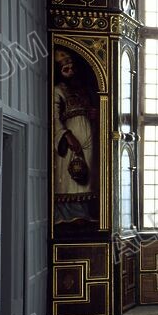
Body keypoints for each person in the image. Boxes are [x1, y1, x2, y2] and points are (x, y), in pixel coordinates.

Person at [53, 48, 98, 225]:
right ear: (59, 71)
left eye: (72, 67)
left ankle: (86, 215)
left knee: (88, 179)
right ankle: (66, 216)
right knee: (70, 178)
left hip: (90, 141)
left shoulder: (83, 90)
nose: (70, 71)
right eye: (65, 68)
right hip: (71, 142)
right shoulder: (58, 90)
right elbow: (55, 118)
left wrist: (94, 114)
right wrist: (67, 136)